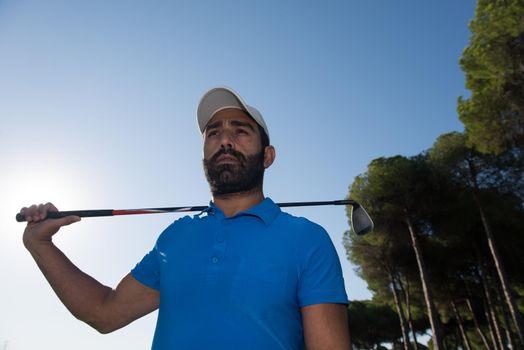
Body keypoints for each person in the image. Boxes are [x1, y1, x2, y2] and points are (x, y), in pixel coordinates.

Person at [20, 86, 350, 349]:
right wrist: (41, 244)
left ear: (267, 156)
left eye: (241, 131)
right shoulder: (175, 238)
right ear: (205, 153)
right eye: (213, 133)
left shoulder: (307, 239)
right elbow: (104, 312)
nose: (224, 140)